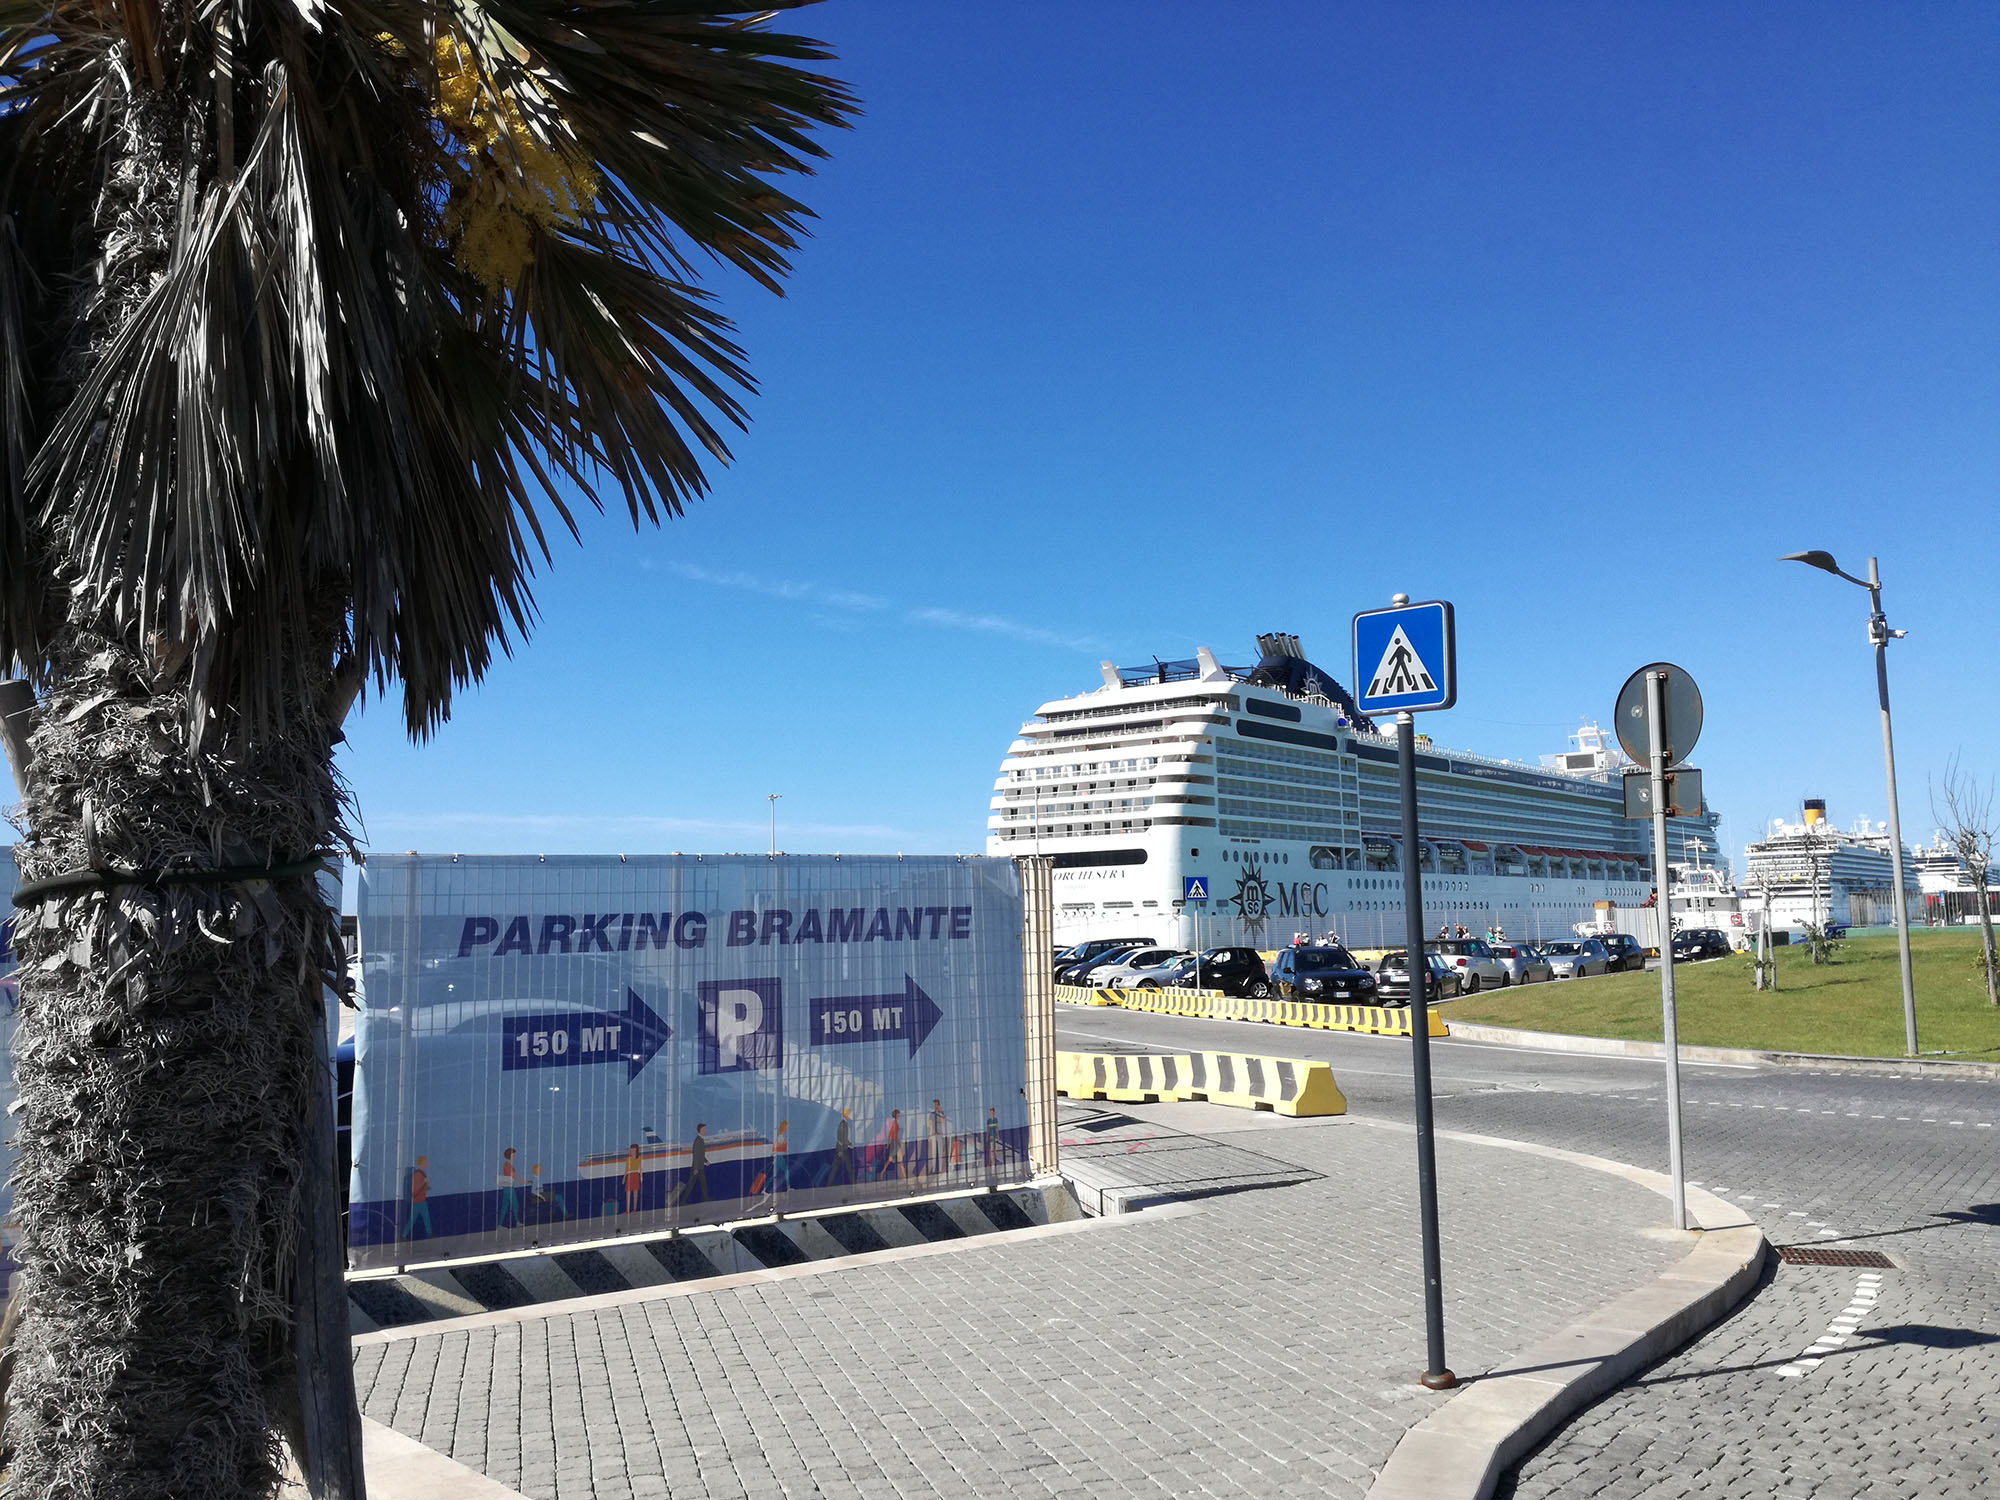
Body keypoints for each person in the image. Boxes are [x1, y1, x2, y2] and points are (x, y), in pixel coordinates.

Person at [678, 1124, 710, 1205]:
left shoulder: (700, 1140)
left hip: (700, 1167)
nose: (705, 1131)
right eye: (704, 1129)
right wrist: (695, 1168)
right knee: (691, 1185)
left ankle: (706, 1199)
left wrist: (706, 1161)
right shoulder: (698, 1140)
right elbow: (696, 1155)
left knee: (703, 1184)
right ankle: (682, 1201)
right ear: (700, 1130)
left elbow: (701, 1154)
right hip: (697, 1168)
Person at [405, 1157, 431, 1239]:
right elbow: (415, 1190)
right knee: (412, 1220)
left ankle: (430, 1234)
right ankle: (404, 1235)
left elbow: (424, 1188)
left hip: (422, 1200)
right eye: (425, 1163)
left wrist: (426, 1186)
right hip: (417, 1202)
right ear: (421, 1164)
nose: (426, 1164)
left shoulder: (423, 1174)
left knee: (426, 1218)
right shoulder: (416, 1175)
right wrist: (424, 1182)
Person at [497, 1147, 522, 1229]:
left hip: (507, 1188)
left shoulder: (507, 1164)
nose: (514, 1156)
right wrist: (524, 1181)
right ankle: (518, 1222)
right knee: (516, 1205)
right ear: (509, 1155)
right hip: (509, 1188)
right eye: (513, 1154)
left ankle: (500, 1225)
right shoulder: (507, 1165)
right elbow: (514, 1176)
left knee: (505, 1206)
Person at [830, 1108, 854, 1185]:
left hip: (840, 1149)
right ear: (845, 1115)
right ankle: (853, 1183)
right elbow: (842, 1138)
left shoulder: (844, 1123)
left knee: (835, 1168)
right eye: (848, 1113)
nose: (849, 1115)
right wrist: (849, 1144)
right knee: (849, 1167)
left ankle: (829, 1184)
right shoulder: (843, 1124)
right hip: (842, 1149)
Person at [926, 1099, 949, 1177]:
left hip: (940, 1134)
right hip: (933, 1134)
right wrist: (929, 1135)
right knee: (934, 1152)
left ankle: (939, 1169)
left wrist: (940, 1112)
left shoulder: (941, 1114)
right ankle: (933, 1169)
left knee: (940, 1152)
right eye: (934, 1105)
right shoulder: (931, 1114)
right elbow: (930, 1124)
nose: (935, 1106)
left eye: (936, 1105)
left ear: (938, 1105)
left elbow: (943, 1122)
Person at [623, 1144, 643, 1214]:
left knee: (635, 1193)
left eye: (634, 1150)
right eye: (632, 1150)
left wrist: (641, 1176)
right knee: (628, 1193)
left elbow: (640, 1168)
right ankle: (628, 1210)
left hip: (636, 1175)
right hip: (630, 1175)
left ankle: (634, 1209)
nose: (633, 1151)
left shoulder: (639, 1158)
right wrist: (624, 1177)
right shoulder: (628, 1159)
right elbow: (626, 1169)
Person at [772, 1120, 790, 1194]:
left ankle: (764, 1188)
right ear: (784, 1127)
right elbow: (778, 1147)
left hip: (778, 1157)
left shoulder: (780, 1135)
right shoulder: (780, 1136)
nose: (787, 1127)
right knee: (786, 1172)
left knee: (774, 1175)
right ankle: (788, 1187)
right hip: (779, 1157)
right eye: (786, 1126)